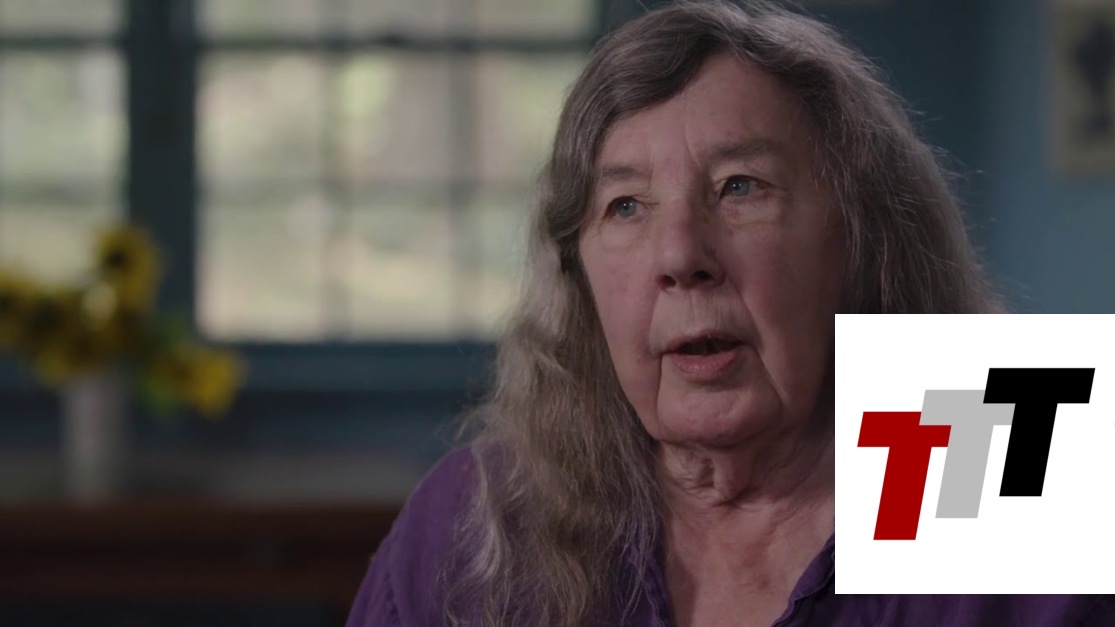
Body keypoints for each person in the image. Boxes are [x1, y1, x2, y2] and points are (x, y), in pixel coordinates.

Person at [345, 1, 1115, 625]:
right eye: (625, 205)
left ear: (861, 238)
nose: (680, 253)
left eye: (740, 187)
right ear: (578, 274)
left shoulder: (1011, 449)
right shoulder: (479, 523)